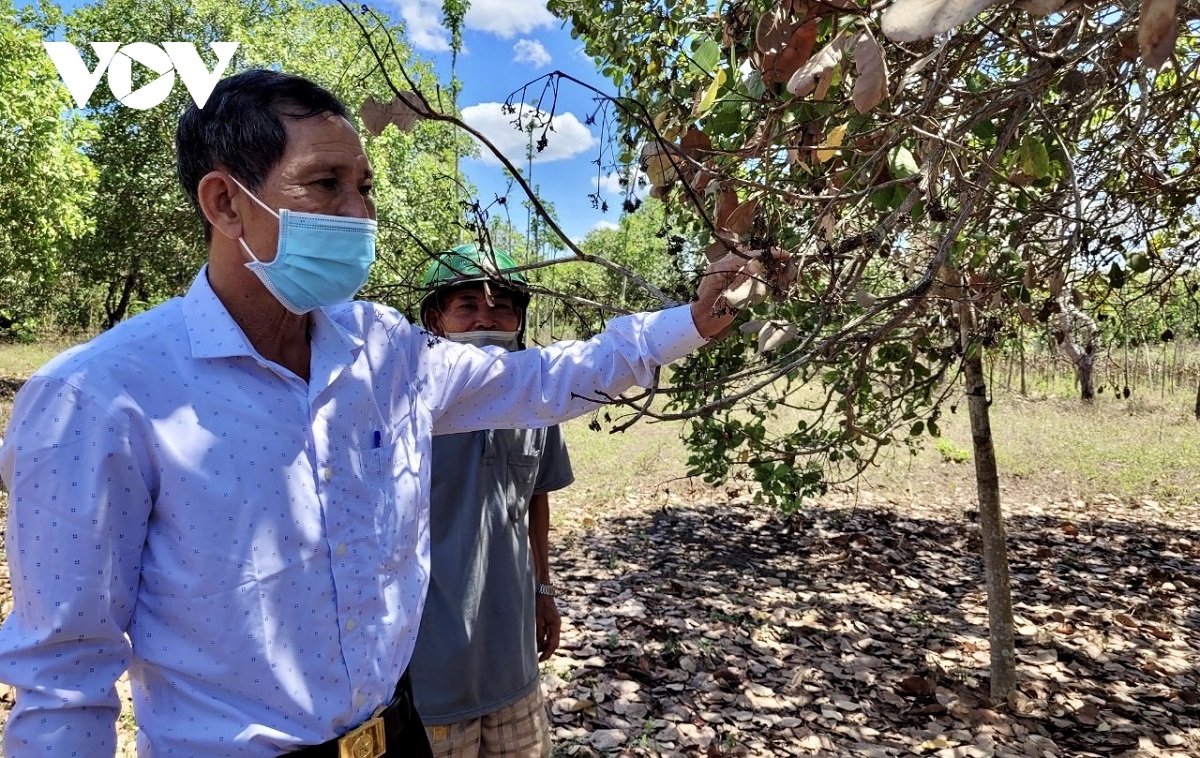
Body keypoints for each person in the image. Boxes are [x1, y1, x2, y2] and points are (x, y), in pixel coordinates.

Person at [0, 69, 769, 758]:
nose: (359, 211)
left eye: (364, 186)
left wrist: (691, 323)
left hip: (395, 733)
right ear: (226, 201)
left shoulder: (385, 352)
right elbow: (63, 676)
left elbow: (542, 378)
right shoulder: (98, 400)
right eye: (325, 183)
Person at [411, 245, 571, 757]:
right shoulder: (405, 404)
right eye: (467, 305)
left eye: (501, 305)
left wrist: (543, 589)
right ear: (435, 321)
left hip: (513, 667)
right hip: (425, 677)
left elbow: (535, 497)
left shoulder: (535, 401)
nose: (487, 317)